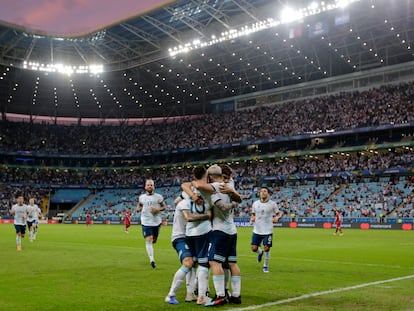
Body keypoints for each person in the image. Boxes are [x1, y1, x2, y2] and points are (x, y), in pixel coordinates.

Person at [189, 164, 242, 306]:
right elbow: (239, 199)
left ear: (211, 176)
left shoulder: (216, 188)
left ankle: (220, 295)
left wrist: (195, 189)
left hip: (220, 231)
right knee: (231, 263)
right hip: (232, 230)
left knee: (214, 262)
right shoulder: (229, 185)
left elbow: (199, 186)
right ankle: (236, 295)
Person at [165, 170, 211, 304]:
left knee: (195, 264)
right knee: (188, 262)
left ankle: (190, 294)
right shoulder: (184, 204)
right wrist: (207, 216)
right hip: (180, 237)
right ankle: (171, 295)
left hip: (190, 236)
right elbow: (189, 218)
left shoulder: (190, 202)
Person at [250, 187, 283, 273]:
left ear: (268, 193)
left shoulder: (272, 204)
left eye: (265, 191)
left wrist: (277, 218)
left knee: (267, 248)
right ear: (259, 194)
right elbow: (253, 214)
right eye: (261, 191)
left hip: (268, 230)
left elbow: (279, 214)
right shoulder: (255, 203)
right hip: (257, 229)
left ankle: (265, 266)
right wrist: (252, 218)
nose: (263, 193)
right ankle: (260, 253)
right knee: (254, 248)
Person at [136, 179, 166, 268]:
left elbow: (164, 207)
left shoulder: (158, 197)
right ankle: (152, 260)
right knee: (149, 240)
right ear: (145, 187)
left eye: (151, 185)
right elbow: (140, 205)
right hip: (145, 221)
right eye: (148, 185)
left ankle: (151, 256)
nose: (149, 186)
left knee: (154, 240)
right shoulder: (141, 197)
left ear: (154, 187)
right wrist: (138, 209)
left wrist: (158, 210)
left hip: (156, 222)